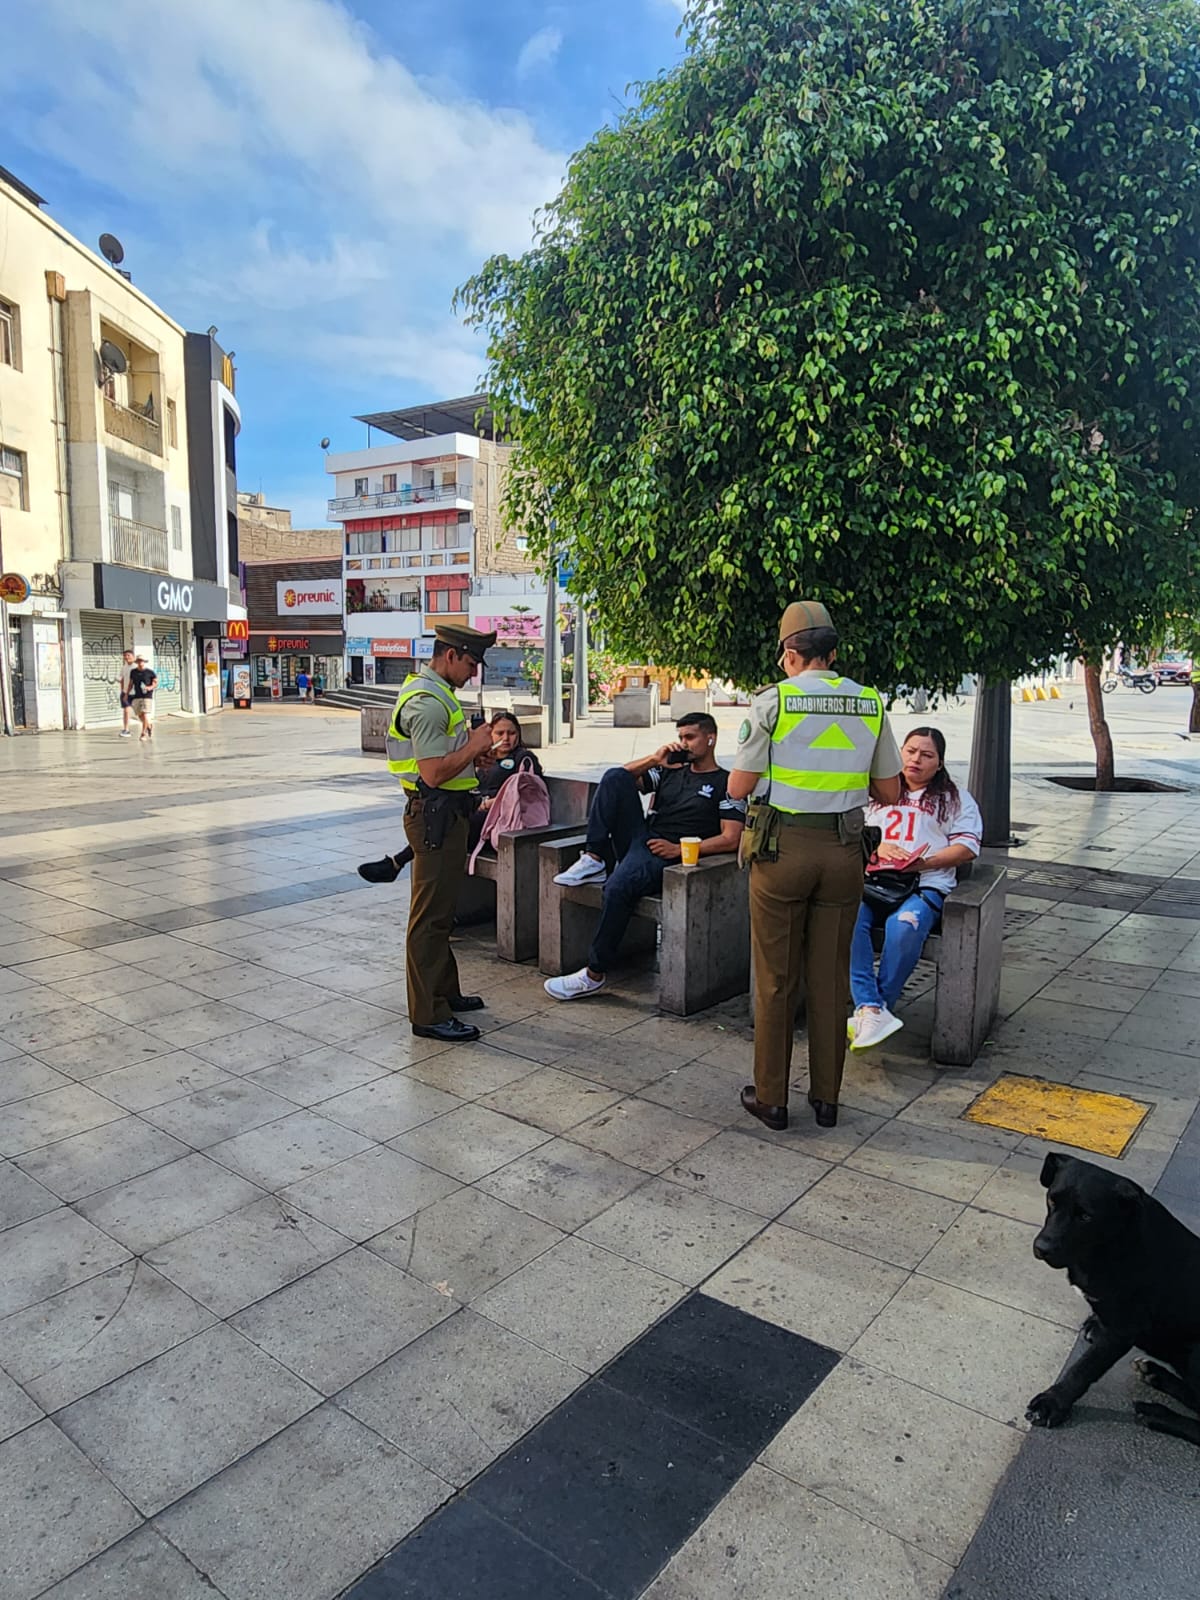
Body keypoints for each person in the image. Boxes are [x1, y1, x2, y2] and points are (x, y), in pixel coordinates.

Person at [727, 601, 901, 1131]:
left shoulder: (773, 701)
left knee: (776, 980)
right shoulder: (869, 702)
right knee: (830, 979)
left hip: (781, 850)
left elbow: (738, 786)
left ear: (789, 654)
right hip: (845, 852)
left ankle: (772, 1099)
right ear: (833, 653)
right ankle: (827, 1099)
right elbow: (889, 790)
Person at [543, 713, 745, 1001]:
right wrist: (654, 759)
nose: (683, 743)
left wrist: (679, 850)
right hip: (642, 836)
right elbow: (622, 781)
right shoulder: (670, 770)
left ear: (710, 738)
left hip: (672, 851)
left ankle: (593, 974)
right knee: (614, 776)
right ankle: (594, 858)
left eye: (690, 737)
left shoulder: (726, 783)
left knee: (617, 888)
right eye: (680, 737)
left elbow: (732, 837)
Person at [383, 624, 498, 1043]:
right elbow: (432, 774)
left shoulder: (438, 693)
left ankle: (445, 992)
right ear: (450, 655)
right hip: (433, 817)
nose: (473, 672)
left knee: (442, 911)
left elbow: (442, 759)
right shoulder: (428, 702)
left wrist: (470, 759)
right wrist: (473, 746)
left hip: (446, 816)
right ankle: (428, 1014)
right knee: (429, 919)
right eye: (470, 662)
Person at [850, 727, 982, 1049]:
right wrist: (877, 846)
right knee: (846, 919)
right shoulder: (876, 790)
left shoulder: (955, 799)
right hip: (874, 882)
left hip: (925, 884)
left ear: (940, 762)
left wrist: (923, 863)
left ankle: (875, 1009)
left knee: (903, 927)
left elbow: (967, 848)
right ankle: (870, 1007)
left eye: (926, 755)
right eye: (910, 751)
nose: (915, 760)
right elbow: (852, 832)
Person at [358, 710, 542, 884]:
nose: (506, 738)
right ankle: (397, 863)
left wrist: (489, 804)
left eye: (511, 733)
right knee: (441, 816)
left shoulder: (523, 758)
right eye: (500, 733)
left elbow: (529, 794)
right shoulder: (482, 759)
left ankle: (397, 862)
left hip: (501, 819)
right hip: (476, 811)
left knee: (449, 824)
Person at [128, 655, 157, 742]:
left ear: (144, 662)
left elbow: (155, 683)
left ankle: (143, 734)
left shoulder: (150, 672)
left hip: (147, 696)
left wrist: (150, 688)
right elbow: (131, 684)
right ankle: (149, 726)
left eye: (142, 661)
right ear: (137, 662)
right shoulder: (133, 672)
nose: (140, 662)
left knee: (144, 714)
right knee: (139, 715)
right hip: (137, 695)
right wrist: (126, 693)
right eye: (139, 661)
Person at [118, 648, 135, 738]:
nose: (126, 657)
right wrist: (122, 691)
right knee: (126, 711)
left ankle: (147, 726)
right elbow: (121, 679)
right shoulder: (124, 667)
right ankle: (126, 729)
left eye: (128, 655)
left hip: (135, 693)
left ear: (133, 657)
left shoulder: (136, 667)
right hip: (126, 693)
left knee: (140, 714)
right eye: (125, 655)